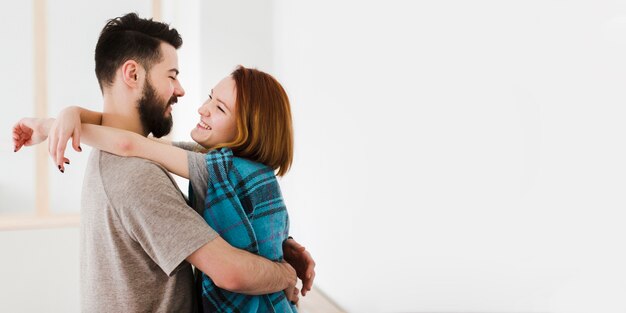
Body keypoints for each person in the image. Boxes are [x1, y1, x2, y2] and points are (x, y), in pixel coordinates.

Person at [12, 13, 314, 313]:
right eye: (171, 75)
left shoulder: (122, 158)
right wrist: (284, 273)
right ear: (132, 74)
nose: (183, 91)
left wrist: (57, 121)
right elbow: (230, 270)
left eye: (219, 107)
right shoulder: (135, 173)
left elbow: (127, 141)